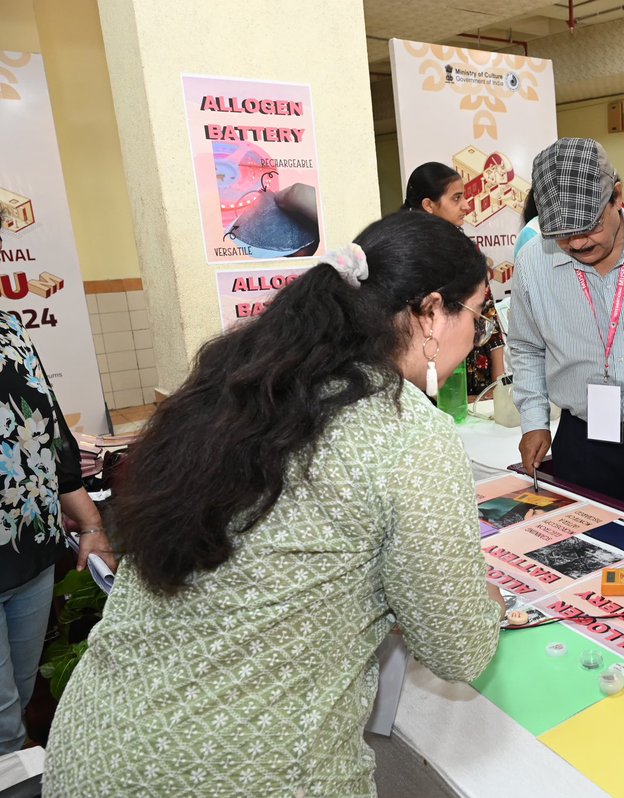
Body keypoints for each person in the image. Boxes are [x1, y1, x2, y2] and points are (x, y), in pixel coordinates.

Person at [43, 212, 506, 796]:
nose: (479, 334)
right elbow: (457, 649)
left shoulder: (239, 388)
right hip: (247, 773)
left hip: (93, 749)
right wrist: (480, 604)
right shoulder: (408, 431)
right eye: (477, 313)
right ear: (432, 312)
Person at [508, 138, 624, 514]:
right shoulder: (532, 263)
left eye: (588, 226)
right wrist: (533, 420)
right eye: (561, 232)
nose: (575, 242)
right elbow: (526, 347)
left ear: (618, 197)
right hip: (582, 441)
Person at [0, 315, 111, 755]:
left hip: (31, 553)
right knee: (5, 725)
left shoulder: (10, 329)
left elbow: (52, 432)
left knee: (21, 699)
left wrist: (91, 523)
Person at [405, 161, 504, 396]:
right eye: (456, 198)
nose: (467, 206)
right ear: (428, 205)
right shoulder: (408, 256)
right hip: (429, 381)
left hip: (478, 375)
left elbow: (488, 314)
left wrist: (499, 382)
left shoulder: (468, 252)